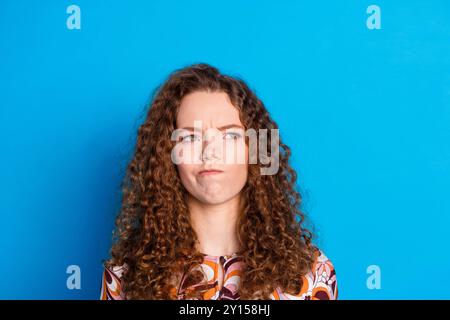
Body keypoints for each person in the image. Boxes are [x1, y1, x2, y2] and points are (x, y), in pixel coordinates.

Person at [100, 63, 338, 300]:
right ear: (166, 155)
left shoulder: (310, 274)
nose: (210, 152)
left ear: (255, 151)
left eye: (230, 135)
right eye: (190, 137)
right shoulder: (126, 277)